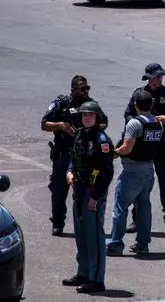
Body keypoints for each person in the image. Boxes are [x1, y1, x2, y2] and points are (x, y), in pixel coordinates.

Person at [41, 76, 109, 236]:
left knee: (84, 190)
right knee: (58, 191)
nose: (86, 91)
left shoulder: (91, 105)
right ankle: (58, 223)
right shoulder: (61, 104)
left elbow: (104, 122)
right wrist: (61, 126)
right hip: (63, 154)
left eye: (88, 88)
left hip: (84, 155)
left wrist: (91, 129)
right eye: (82, 89)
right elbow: (44, 124)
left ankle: (84, 223)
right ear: (73, 89)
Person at [126, 63, 165, 235]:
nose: (159, 79)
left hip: (162, 146)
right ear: (148, 78)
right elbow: (128, 115)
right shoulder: (139, 94)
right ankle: (136, 220)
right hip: (143, 146)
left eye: (161, 76)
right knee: (140, 183)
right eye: (156, 76)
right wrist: (141, 123)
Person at [62, 101, 114, 294]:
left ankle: (97, 279)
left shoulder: (102, 140)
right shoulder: (80, 135)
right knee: (81, 234)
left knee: (94, 236)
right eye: (84, 115)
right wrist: (69, 172)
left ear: (97, 117)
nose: (87, 118)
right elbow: (74, 159)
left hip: (93, 192)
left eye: (91, 115)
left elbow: (106, 172)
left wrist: (96, 197)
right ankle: (83, 272)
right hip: (79, 189)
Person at [106, 89, 162, 256]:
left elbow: (127, 148)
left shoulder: (135, 123)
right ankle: (143, 243)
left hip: (132, 170)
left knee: (120, 207)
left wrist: (112, 153)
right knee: (144, 207)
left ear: (136, 105)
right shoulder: (157, 123)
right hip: (148, 170)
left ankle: (115, 244)